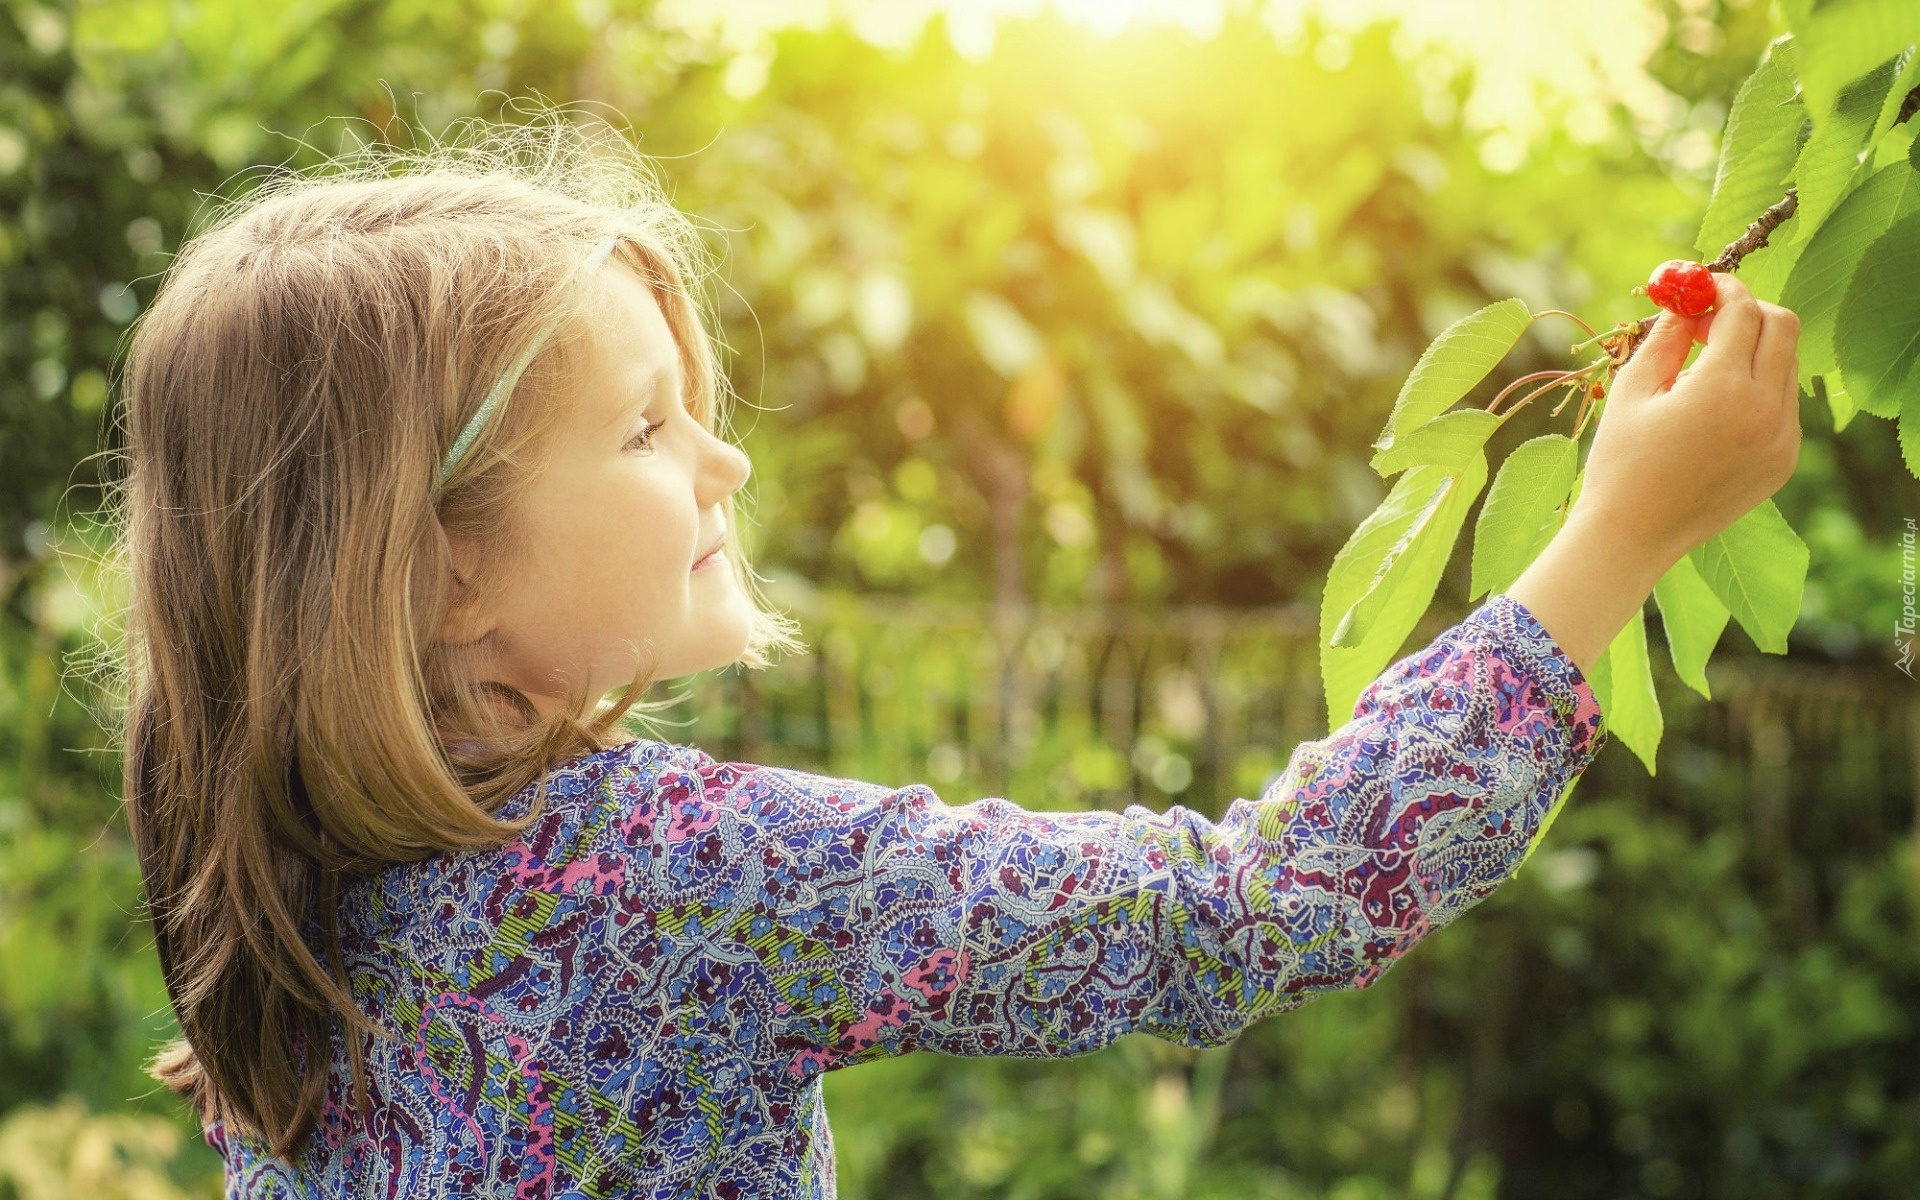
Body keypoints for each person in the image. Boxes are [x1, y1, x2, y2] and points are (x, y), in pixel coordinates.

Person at [112, 115, 1801, 1199]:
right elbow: (1250, 910)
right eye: (644, 428)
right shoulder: (665, 876)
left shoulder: (292, 898)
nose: (727, 465)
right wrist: (1618, 538)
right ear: (440, 569)